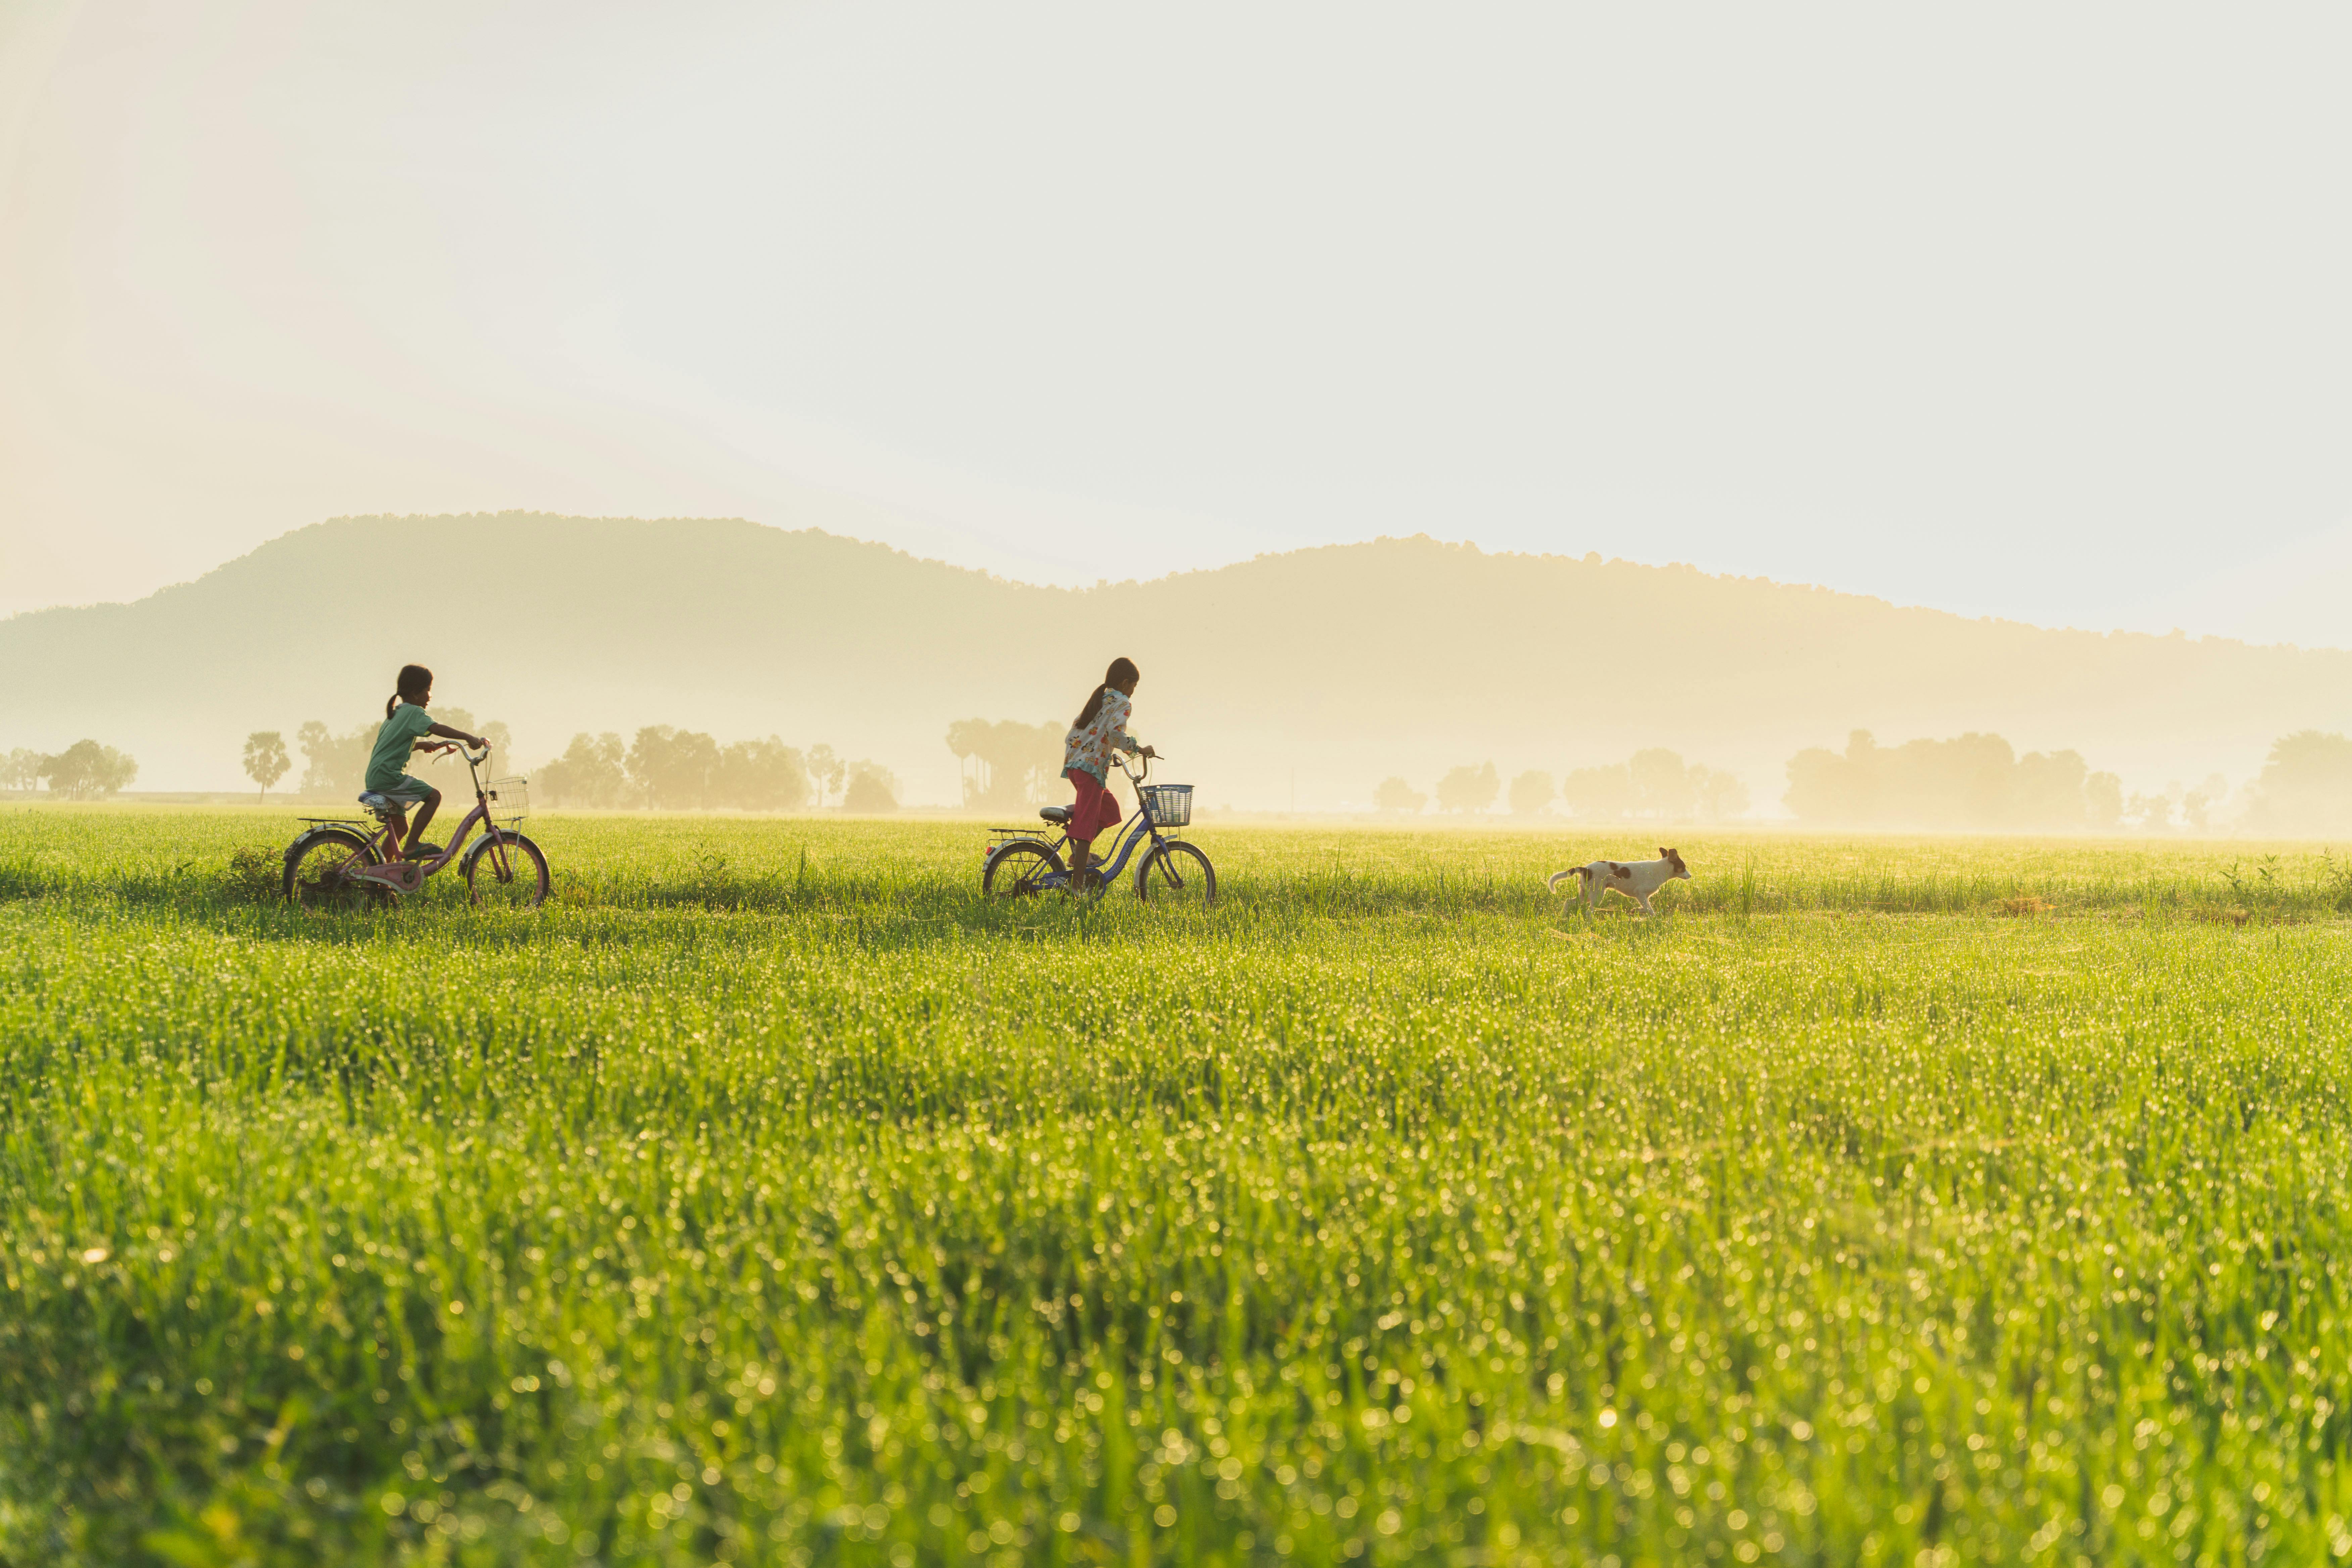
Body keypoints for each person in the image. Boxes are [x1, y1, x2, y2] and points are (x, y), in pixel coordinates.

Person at [365, 664, 486, 860]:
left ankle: (380, 876)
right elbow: (437, 727)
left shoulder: (396, 714)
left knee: (400, 827)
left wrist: (421, 745)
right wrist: (468, 737)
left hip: (376, 775)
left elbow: (393, 745)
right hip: (389, 776)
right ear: (415, 693)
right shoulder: (414, 712)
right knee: (434, 797)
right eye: (428, 690)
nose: (431, 696)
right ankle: (413, 845)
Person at [1062, 656, 1156, 888]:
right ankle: (1076, 887)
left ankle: (1078, 852)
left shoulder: (1101, 698)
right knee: (1086, 827)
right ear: (1126, 683)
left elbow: (1080, 733)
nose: (1134, 691)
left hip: (1078, 766)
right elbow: (1115, 734)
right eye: (1134, 686)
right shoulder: (1122, 702)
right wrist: (1138, 749)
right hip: (1090, 769)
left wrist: (1105, 752)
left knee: (1110, 810)